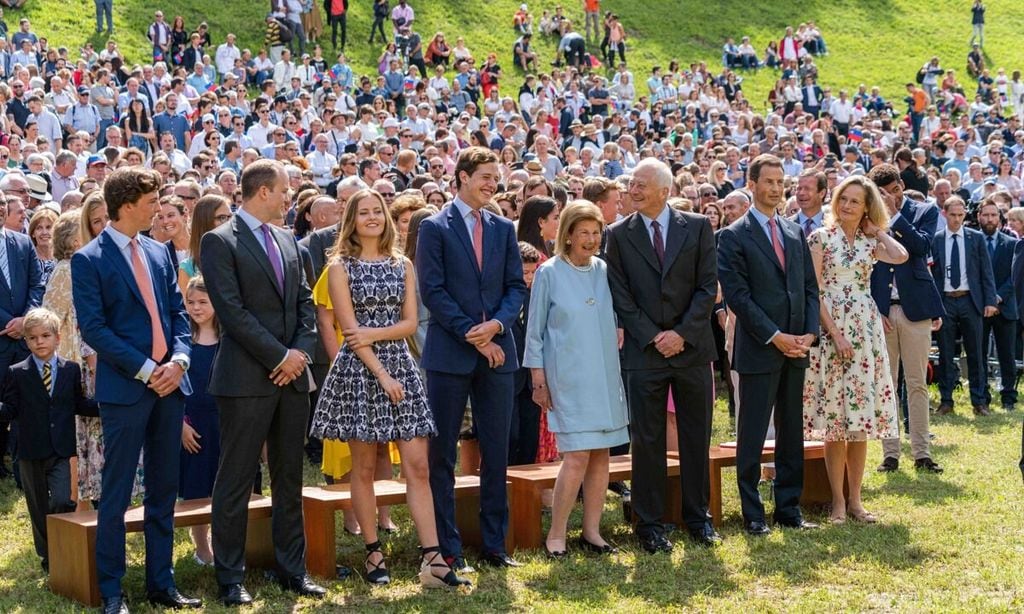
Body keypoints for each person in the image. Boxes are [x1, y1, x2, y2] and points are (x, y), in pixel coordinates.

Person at [309, 189, 469, 587]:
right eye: (363, 212)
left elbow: (410, 324)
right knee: (363, 467)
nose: (372, 218)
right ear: (351, 221)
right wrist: (382, 372)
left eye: (377, 211)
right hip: (363, 371)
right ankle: (373, 552)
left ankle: (433, 560)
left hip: (401, 364)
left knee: (417, 465)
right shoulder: (340, 267)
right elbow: (348, 332)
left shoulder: (403, 265)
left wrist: (375, 335)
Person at [70, 167, 198, 613]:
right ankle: (112, 591)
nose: (159, 209)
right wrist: (148, 369)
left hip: (171, 385)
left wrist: (179, 361)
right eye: (151, 203)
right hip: (127, 389)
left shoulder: (160, 252)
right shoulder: (89, 259)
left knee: (165, 488)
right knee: (118, 492)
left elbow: (178, 315)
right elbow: (95, 330)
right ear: (126, 206)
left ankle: (161, 583)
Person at [201, 159, 326, 606]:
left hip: (292, 379)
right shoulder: (219, 241)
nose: (290, 197)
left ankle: (293, 569)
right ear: (262, 192)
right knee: (236, 479)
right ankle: (230, 576)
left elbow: (306, 303)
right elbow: (232, 313)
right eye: (285, 190)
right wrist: (281, 356)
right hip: (246, 379)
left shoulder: (289, 240)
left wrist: (300, 355)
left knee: (289, 477)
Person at [416, 146, 527, 571]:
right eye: (484, 175)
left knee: (497, 449)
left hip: (499, 354)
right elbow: (433, 290)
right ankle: (449, 547)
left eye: (495, 176)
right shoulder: (434, 227)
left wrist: (496, 327)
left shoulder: (503, 228)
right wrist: (473, 334)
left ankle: (495, 545)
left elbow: (516, 287)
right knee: (442, 453)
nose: (492, 183)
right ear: (461, 177)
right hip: (451, 355)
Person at [605, 158, 719, 550]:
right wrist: (655, 337)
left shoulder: (699, 227)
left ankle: (697, 517)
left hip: (691, 351)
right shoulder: (617, 235)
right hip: (645, 353)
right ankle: (649, 524)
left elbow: (707, 287)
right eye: (631, 184)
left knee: (695, 437)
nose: (631, 190)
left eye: (640, 185)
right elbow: (620, 294)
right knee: (647, 441)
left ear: (664, 192)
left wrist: (682, 335)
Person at [717, 154, 820, 536]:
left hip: (797, 348)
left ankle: (789, 509)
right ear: (752, 183)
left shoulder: (794, 232)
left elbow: (809, 287)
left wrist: (809, 334)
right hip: (761, 348)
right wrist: (776, 336)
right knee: (753, 433)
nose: (776, 188)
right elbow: (739, 297)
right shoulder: (733, 235)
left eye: (781, 182)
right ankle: (753, 513)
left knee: (791, 431)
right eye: (769, 181)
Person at [525, 201, 628, 557]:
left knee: (601, 455)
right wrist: (539, 379)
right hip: (566, 377)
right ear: (567, 235)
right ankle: (557, 533)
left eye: (596, 232)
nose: (590, 239)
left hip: (604, 375)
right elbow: (534, 332)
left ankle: (593, 531)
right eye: (583, 232)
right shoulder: (548, 272)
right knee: (577, 455)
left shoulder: (603, 269)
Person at [803, 176, 908, 524]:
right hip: (833, 327)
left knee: (860, 420)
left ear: (866, 207)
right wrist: (835, 333)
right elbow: (814, 291)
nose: (846, 206)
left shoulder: (869, 242)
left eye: (855, 201)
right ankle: (836, 502)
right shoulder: (820, 238)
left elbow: (901, 255)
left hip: (865, 329)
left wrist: (876, 229)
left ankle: (856, 501)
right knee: (836, 422)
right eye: (843, 199)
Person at [0, 307, 97, 573]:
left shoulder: (71, 370)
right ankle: (48, 557)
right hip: (30, 450)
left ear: (58, 338)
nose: (39, 341)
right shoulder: (16, 372)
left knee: (63, 499)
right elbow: (9, 409)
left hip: (62, 449)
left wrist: (108, 405)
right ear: (26, 341)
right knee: (38, 506)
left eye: (45, 336)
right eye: (32, 338)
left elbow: (79, 404)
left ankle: (64, 544)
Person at [868, 163, 946, 474]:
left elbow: (921, 247)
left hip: (916, 308)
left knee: (917, 382)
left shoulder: (924, 211)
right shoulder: (868, 215)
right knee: (887, 383)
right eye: (884, 194)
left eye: (896, 190)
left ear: (902, 184)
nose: (892, 196)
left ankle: (922, 452)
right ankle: (890, 453)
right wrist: (877, 307)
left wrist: (895, 215)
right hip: (883, 309)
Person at [932, 196, 998, 416]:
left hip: (970, 300)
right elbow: (933, 274)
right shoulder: (937, 239)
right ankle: (947, 400)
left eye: (961, 215)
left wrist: (989, 300)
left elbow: (985, 272)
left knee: (976, 352)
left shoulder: (975, 238)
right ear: (945, 214)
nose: (957, 219)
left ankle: (979, 401)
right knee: (945, 352)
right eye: (953, 215)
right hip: (946, 300)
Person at [0, 196, 45, 479]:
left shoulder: (22, 242)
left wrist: (25, 320)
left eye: (3, 203)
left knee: (26, 405)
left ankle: (22, 468)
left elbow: (37, 283)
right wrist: (8, 323)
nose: (0, 208)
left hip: (25, 340)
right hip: (3, 337)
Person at [179, 276, 221, 567]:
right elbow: (172, 388)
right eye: (191, 302)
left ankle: (227, 541)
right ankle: (202, 545)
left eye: (202, 302)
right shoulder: (182, 340)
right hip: (192, 425)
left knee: (224, 483)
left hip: (224, 423)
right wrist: (180, 425)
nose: (196, 307)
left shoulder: (228, 341)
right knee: (196, 485)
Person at [977, 197, 1019, 410]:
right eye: (986, 215)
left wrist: (997, 297)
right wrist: (986, 299)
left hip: (1005, 307)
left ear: (1000, 219)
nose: (990, 219)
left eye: (994, 215)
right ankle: (982, 396)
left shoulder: (1012, 244)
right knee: (979, 354)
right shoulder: (973, 242)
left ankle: (1009, 397)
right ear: (979, 217)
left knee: (1007, 356)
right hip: (980, 309)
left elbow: (1015, 277)